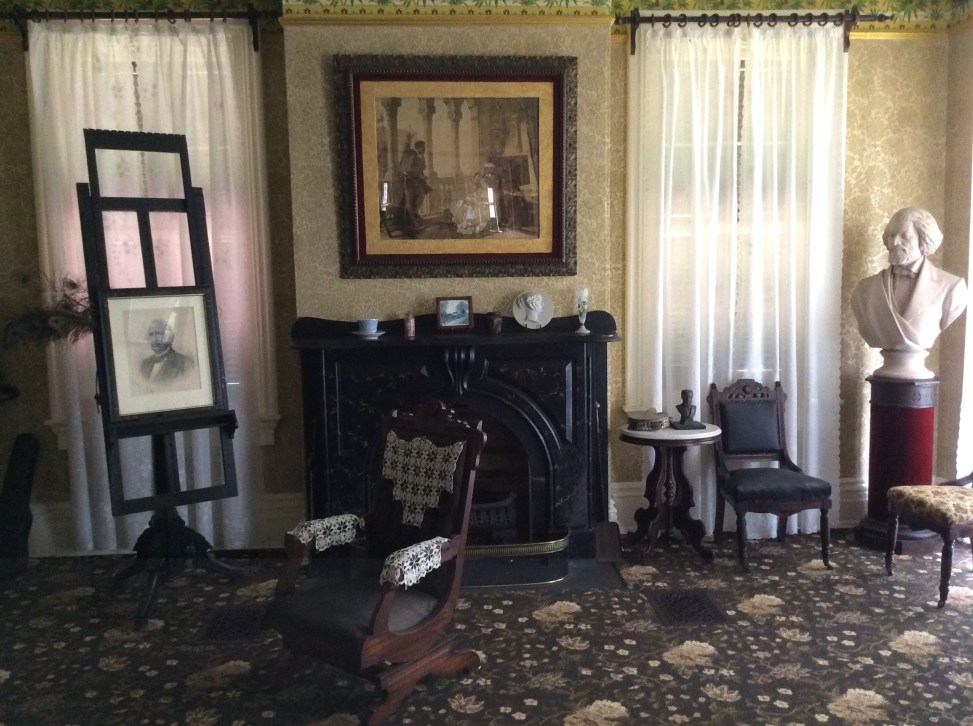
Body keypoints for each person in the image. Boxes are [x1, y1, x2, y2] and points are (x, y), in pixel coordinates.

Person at [851, 207, 968, 379]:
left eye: (904, 236)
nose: (895, 242)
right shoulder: (865, 290)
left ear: (924, 239)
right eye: (891, 235)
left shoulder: (952, 288)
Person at [139, 316, 194, 384]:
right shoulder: (144, 364)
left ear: (169, 337)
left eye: (159, 334)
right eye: (151, 335)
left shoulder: (185, 363)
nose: (154, 339)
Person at [399, 139, 432, 237]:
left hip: (416, 181)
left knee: (421, 195)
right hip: (408, 181)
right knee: (409, 200)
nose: (425, 149)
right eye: (423, 147)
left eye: (425, 147)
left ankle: (415, 214)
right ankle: (413, 220)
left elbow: (423, 167)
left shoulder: (420, 156)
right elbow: (408, 168)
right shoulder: (412, 154)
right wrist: (418, 175)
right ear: (418, 147)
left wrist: (420, 175)